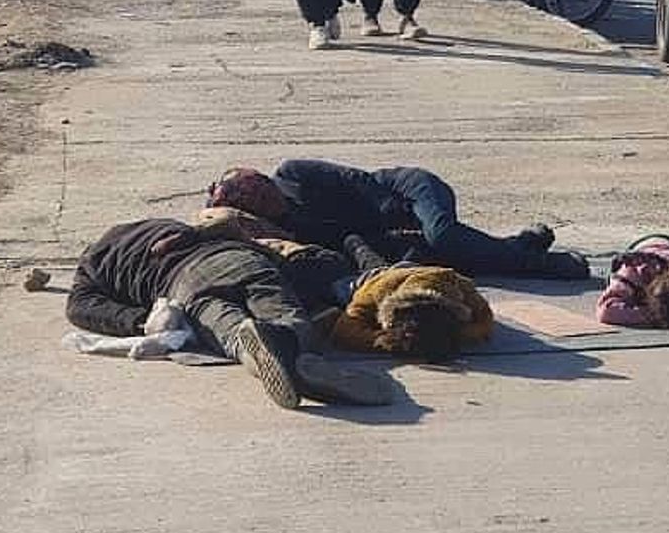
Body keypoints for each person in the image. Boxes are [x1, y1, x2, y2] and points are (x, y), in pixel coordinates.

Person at [64, 217, 392, 409]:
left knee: (230, 333)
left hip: (185, 284)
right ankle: (299, 350)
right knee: (290, 320)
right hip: (241, 259)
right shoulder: (167, 225)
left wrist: (141, 319)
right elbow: (230, 225)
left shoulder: (93, 264)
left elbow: (80, 308)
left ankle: (256, 346)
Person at [208, 161, 588, 280]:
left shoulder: (293, 174)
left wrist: (396, 216)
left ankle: (541, 264)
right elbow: (348, 244)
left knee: (441, 235)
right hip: (384, 231)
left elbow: (359, 183)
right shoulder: (288, 230)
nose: (266, 194)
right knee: (442, 260)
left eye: (260, 186)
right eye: (256, 199)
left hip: (407, 192)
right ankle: (519, 244)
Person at [328, 264, 494, 361]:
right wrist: (382, 340)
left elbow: (485, 319)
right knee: (339, 284)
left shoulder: (461, 288)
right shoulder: (375, 292)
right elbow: (342, 330)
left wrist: (463, 334)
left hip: (417, 268)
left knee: (368, 255)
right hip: (375, 276)